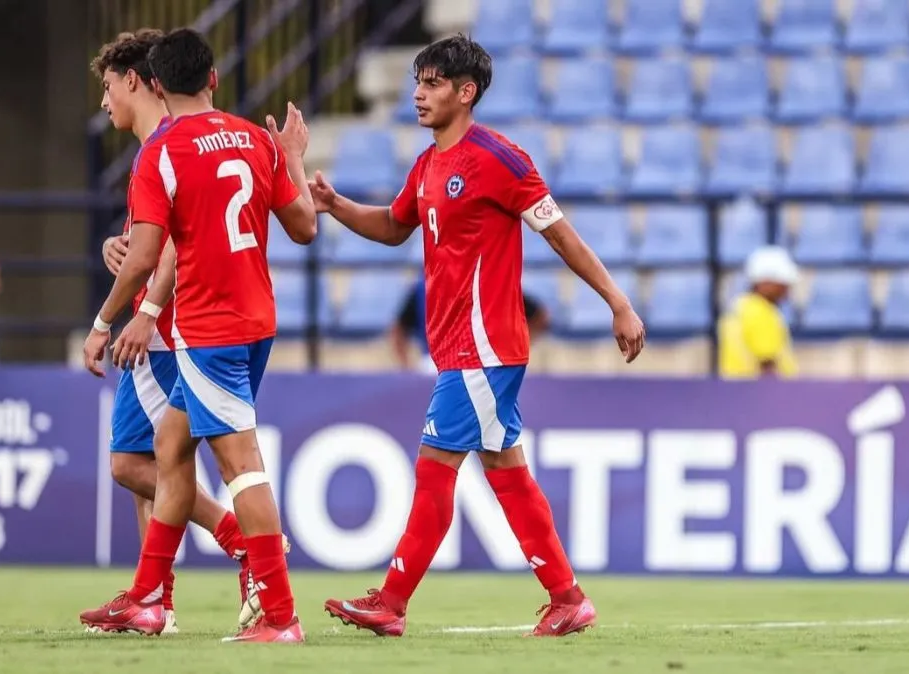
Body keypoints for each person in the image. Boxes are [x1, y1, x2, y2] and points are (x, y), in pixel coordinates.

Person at [313, 34, 645, 638]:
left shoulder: (500, 158)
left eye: (433, 83)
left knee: (435, 467)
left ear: (466, 92)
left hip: (484, 346)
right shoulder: (428, 164)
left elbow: (560, 234)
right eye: (417, 82)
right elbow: (393, 226)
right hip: (458, 349)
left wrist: (618, 303)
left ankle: (391, 602)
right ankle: (568, 598)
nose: (418, 94)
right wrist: (336, 205)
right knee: (507, 470)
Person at [79, 28, 317, 643]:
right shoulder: (255, 139)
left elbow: (149, 254)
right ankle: (147, 596)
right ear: (213, 78)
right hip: (256, 320)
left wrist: (106, 322)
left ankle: (281, 615)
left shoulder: (162, 151)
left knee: (241, 468)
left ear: (155, 84)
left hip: (208, 329)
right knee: (169, 445)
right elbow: (304, 227)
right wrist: (291, 155)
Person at [393, 274, 551, 374]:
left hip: (488, 361)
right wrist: (406, 367)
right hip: (436, 364)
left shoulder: (490, 280)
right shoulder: (424, 286)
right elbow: (398, 329)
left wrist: (518, 346)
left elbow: (540, 316)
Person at [718, 245, 799, 379]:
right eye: (782, 284)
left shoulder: (739, 307)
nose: (786, 290)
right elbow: (768, 367)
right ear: (765, 281)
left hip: (737, 388)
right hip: (758, 389)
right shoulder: (761, 312)